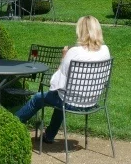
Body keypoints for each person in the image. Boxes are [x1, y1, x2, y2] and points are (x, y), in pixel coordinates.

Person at [15, 15, 111, 144]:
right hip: (92, 102)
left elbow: (55, 81)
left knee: (38, 98)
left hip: (70, 102)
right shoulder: (105, 50)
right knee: (61, 96)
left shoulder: (74, 52)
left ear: (81, 31)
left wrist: (63, 58)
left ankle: (11, 125)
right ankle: (49, 135)